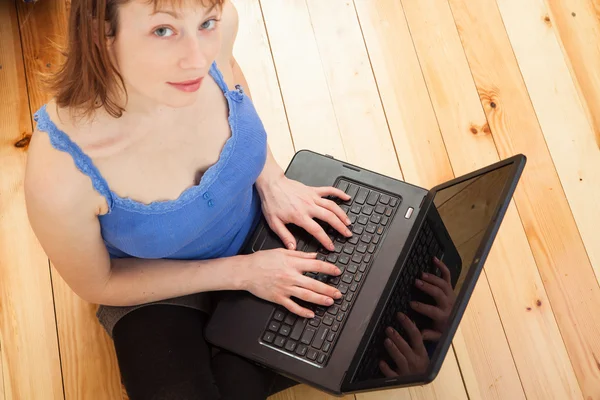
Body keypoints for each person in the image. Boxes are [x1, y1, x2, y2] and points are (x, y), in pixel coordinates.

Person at [23, 0, 455, 397]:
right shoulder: (61, 173)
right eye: (163, 31)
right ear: (102, 32)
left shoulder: (218, 32)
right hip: (156, 284)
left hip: (264, 233)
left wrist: (272, 178)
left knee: (391, 329)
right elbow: (99, 283)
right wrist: (243, 272)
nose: (197, 58)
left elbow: (230, 77)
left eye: (205, 22)